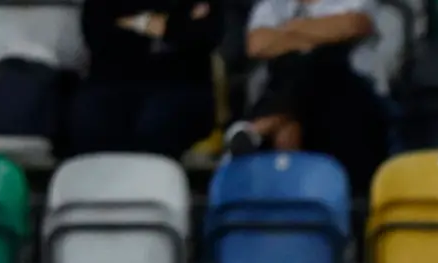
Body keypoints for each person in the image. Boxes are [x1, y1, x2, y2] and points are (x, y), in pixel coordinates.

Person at [228, 0, 390, 193]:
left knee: (323, 62)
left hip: (353, 96)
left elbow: (353, 25)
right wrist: (315, 35)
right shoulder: (272, 5)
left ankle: (262, 128)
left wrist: (290, 30)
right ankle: (277, 125)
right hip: (303, 100)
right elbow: (257, 44)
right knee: (299, 70)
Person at [72, 0, 224, 158]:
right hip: (116, 78)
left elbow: (206, 36)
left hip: (180, 82)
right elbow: (97, 35)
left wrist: (132, 24)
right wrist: (148, 24)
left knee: (156, 121)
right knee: (89, 113)